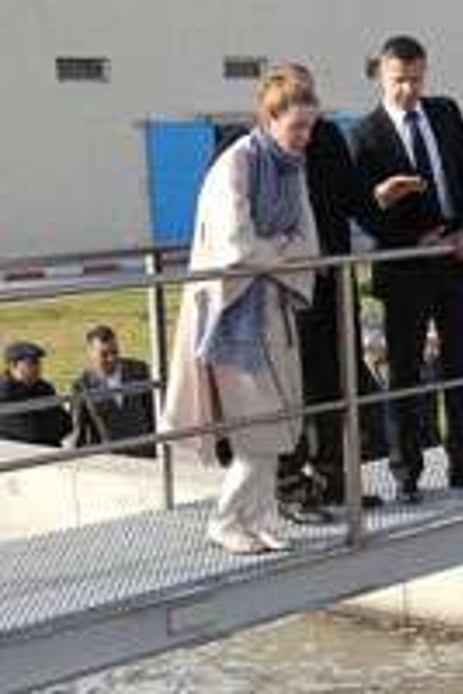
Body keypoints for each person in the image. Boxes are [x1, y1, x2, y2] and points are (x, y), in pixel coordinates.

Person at [162, 67, 320, 555]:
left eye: (310, 127)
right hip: (233, 316)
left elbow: (309, 244)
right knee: (259, 431)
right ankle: (226, 519)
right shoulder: (235, 165)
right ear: (270, 119)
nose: (305, 137)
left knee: (280, 424)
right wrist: (279, 252)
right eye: (297, 127)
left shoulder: (292, 170)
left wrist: (271, 255)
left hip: (274, 308)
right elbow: (235, 246)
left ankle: (260, 517)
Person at [351, 35, 463, 502]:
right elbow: (364, 210)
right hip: (405, 269)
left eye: (417, 79)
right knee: (405, 371)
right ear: (381, 75)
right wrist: (411, 240)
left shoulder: (444, 112)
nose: (409, 90)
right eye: (400, 80)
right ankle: (407, 473)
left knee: (460, 365)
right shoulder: (365, 134)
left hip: (455, 261)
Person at [267, 64, 383, 524]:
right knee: (292, 390)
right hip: (287, 289)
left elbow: (355, 199)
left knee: (337, 381)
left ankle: (334, 481)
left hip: (332, 281)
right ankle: (291, 486)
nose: (306, 129)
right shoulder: (250, 149)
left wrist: (382, 200)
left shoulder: (330, 138)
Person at [70, 325, 156, 458]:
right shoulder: (82, 386)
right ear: (90, 352)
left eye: (115, 352)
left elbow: (153, 413)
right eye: (104, 354)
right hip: (110, 462)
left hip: (145, 455)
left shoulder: (139, 370)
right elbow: (79, 433)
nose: (112, 359)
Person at [0, 341, 72, 447]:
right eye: (31, 363)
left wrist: (46, 425)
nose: (38, 367)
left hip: (50, 451)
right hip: (20, 455)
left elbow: (67, 424)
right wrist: (49, 424)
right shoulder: (4, 393)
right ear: (14, 365)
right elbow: (31, 433)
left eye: (38, 362)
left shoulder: (44, 387)